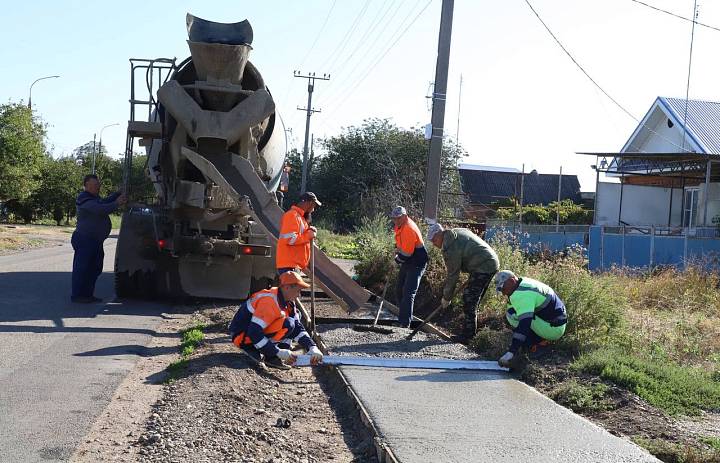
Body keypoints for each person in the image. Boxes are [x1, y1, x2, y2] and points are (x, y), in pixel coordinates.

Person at [228, 271, 323, 370]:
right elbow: (254, 332)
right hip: (242, 336)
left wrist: (312, 347)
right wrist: (277, 352)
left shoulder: (288, 302)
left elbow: (297, 328)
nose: (299, 295)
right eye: (298, 290)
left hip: (251, 332)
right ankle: (255, 350)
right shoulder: (269, 302)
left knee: (291, 323)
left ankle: (272, 356)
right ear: (287, 288)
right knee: (288, 323)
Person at [427, 223, 499, 341]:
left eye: (434, 240)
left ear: (440, 234)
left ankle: (468, 336)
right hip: (487, 261)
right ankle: (470, 334)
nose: (434, 244)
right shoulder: (455, 232)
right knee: (472, 299)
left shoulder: (450, 247)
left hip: (484, 266)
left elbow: (453, 276)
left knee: (469, 299)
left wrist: (446, 297)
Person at [494, 270, 568, 368]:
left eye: (503, 288)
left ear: (512, 281)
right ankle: (535, 339)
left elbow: (524, 325)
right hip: (554, 321)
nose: (503, 293)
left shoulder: (522, 295)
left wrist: (511, 352)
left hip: (553, 329)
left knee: (519, 319)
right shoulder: (522, 282)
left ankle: (538, 344)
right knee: (511, 313)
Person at [71, 174, 126, 303]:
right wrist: (117, 202)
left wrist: (117, 194)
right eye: (95, 185)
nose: (98, 187)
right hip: (85, 239)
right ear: (86, 185)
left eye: (98, 184)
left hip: (95, 240)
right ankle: (78, 295)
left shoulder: (94, 198)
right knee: (82, 269)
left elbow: (104, 201)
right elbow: (101, 209)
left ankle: (87, 294)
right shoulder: (83, 198)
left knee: (95, 268)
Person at [390, 206, 428, 328]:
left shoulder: (408, 228)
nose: (396, 220)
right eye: (394, 218)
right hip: (408, 261)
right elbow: (402, 246)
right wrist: (396, 251)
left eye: (398, 218)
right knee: (399, 289)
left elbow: (407, 253)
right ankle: (402, 319)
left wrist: (396, 261)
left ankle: (405, 323)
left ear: (405, 216)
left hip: (417, 262)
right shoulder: (399, 226)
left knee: (408, 292)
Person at [276, 192, 321, 275]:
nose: (314, 209)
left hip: (293, 265)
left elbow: (299, 236)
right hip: (289, 265)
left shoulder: (300, 217)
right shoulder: (292, 216)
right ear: (309, 203)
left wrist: (309, 230)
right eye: (314, 206)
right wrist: (308, 235)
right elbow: (290, 239)